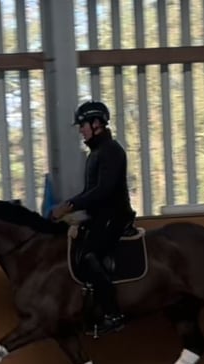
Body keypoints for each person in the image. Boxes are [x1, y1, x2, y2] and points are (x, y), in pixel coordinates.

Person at [51, 100, 136, 336]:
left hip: (115, 216)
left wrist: (69, 206)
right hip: (101, 216)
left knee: (89, 255)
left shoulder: (111, 151)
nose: (81, 130)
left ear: (96, 123)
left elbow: (103, 190)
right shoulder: (97, 152)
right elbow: (93, 192)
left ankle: (113, 314)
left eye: (83, 125)